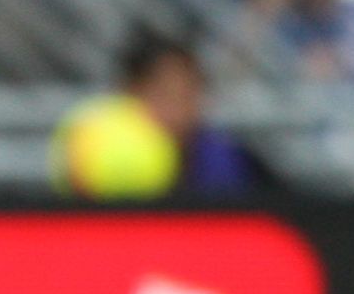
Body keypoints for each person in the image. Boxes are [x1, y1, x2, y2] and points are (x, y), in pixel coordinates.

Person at [51, 34, 264, 199]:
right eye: (165, 95)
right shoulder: (91, 143)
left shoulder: (224, 162)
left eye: (188, 95)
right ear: (129, 93)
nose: (178, 111)